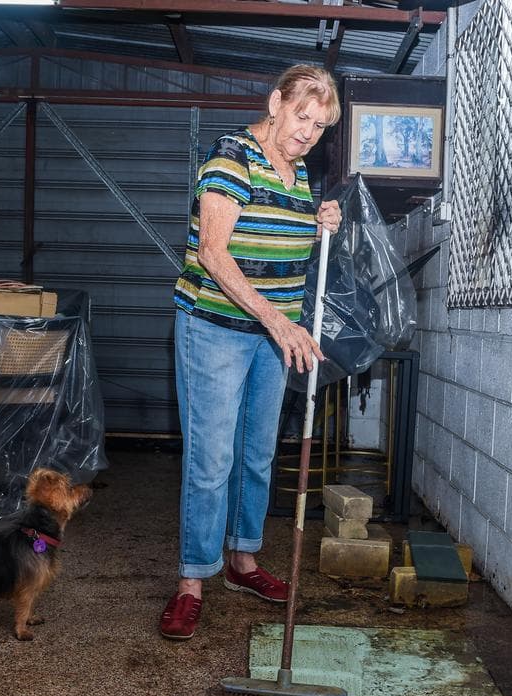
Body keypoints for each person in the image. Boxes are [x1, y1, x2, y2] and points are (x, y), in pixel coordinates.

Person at [160, 64, 343, 641]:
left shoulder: (300, 170)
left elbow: (275, 239)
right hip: (216, 328)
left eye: (320, 125)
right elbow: (215, 253)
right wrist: (276, 322)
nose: (308, 131)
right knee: (211, 461)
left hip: (274, 336)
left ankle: (242, 562)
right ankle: (191, 582)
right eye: (302, 116)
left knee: (257, 455)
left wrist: (319, 223)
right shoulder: (230, 159)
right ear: (275, 103)